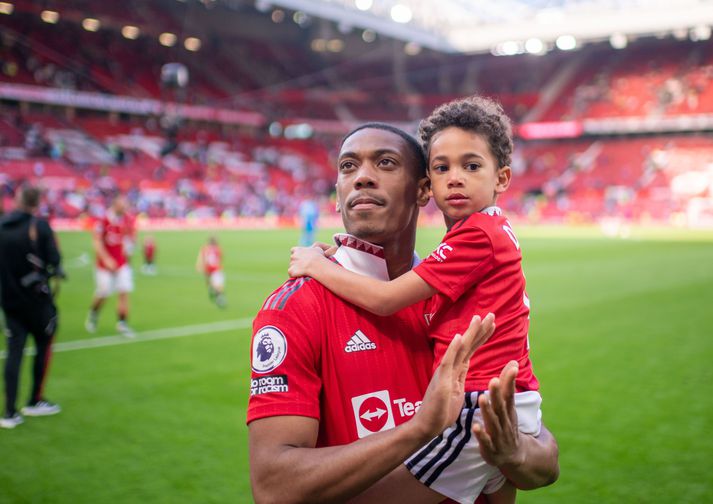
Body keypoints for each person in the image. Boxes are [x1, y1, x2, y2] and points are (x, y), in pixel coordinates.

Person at [248, 123, 559, 503]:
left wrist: (514, 454)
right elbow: (273, 487)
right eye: (348, 167)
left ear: (424, 189)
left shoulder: (453, 295)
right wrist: (419, 430)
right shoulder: (295, 307)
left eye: (385, 162)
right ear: (337, 193)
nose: (362, 177)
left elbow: (545, 464)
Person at [0, 186, 63, 429]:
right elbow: (54, 261)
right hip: (36, 302)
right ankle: (34, 400)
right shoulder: (39, 227)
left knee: (14, 353)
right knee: (43, 345)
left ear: (17, 200)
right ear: (37, 203)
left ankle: (8, 412)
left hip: (9, 301)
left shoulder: (3, 226)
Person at [85, 194, 135, 337]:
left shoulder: (127, 220)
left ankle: (122, 324)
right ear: (115, 205)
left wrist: (129, 251)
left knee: (124, 292)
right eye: (122, 204)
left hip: (121, 263)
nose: (125, 207)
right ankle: (93, 313)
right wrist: (106, 258)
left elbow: (129, 239)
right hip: (104, 265)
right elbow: (97, 242)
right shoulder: (103, 220)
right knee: (104, 293)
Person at [196, 236, 226, 308]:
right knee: (219, 286)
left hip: (207, 269)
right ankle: (220, 299)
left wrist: (199, 266)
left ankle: (212, 289)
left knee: (211, 282)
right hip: (216, 269)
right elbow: (220, 258)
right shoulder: (218, 249)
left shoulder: (205, 249)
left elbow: (201, 258)